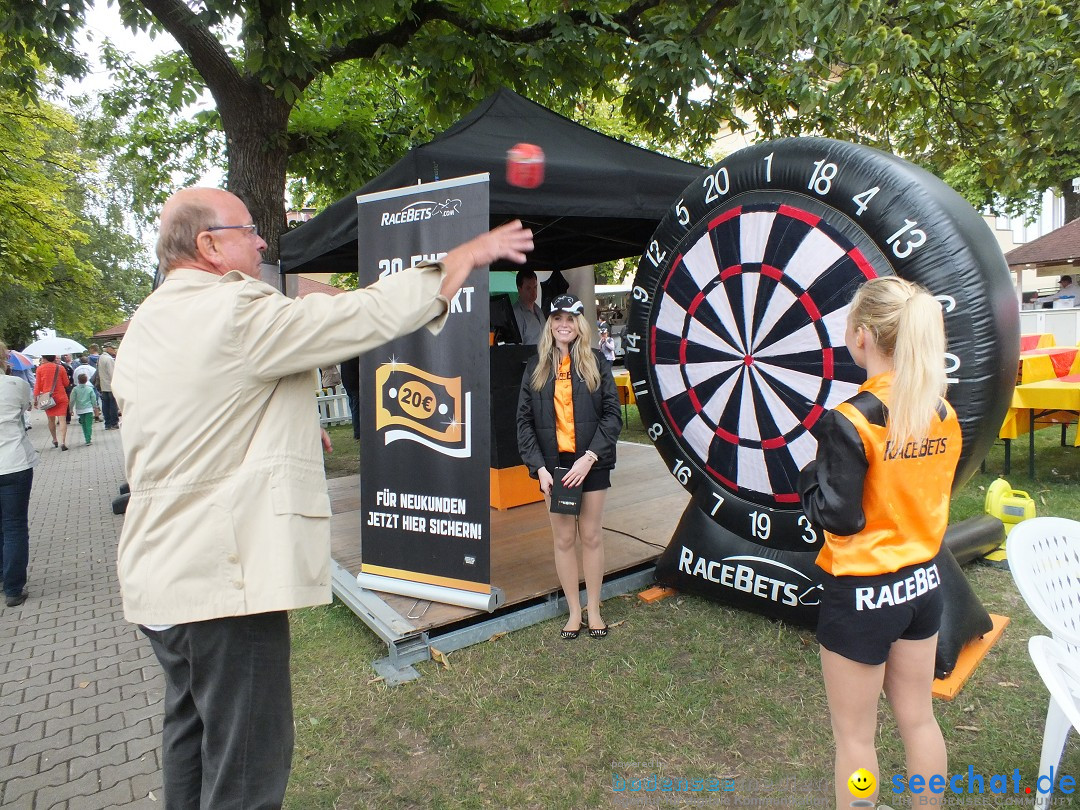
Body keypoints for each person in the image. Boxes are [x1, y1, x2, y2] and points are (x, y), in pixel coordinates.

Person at [112, 185, 532, 809]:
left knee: (191, 739)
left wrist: (280, 425)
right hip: (225, 582)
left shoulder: (149, 322)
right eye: (249, 229)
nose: (261, 241)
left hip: (164, 580)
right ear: (207, 245)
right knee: (247, 763)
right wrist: (460, 259)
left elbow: (196, 422)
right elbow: (357, 318)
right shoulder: (232, 312)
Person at [798, 277, 961, 809]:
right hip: (924, 584)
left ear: (862, 335)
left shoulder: (851, 420)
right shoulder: (941, 411)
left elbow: (838, 518)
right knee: (918, 719)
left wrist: (807, 480)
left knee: (856, 739)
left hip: (864, 594)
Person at [517, 294, 622, 640]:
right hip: (554, 469)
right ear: (550, 323)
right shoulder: (536, 367)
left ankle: (594, 609)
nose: (564, 323)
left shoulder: (596, 363)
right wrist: (540, 469)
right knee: (563, 539)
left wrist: (589, 457)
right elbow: (524, 423)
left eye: (571, 318)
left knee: (590, 536)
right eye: (558, 317)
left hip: (590, 463)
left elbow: (612, 416)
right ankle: (573, 612)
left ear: (580, 324)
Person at [0, 342, 37, 608]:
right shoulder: (15, 385)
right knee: (14, 526)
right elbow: (25, 408)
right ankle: (13, 588)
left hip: (14, 462)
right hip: (13, 461)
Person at [33, 355, 69, 450]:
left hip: (47, 398)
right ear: (54, 358)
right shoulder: (60, 368)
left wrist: (35, 399)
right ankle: (63, 442)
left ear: (44, 358)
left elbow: (37, 386)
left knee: (51, 420)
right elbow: (66, 383)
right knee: (62, 420)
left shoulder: (40, 369)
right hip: (61, 397)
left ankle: (54, 439)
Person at [512, 268, 545, 344]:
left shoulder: (539, 310)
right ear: (519, 289)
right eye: (528, 288)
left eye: (535, 287)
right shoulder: (516, 314)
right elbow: (516, 346)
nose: (533, 292)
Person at [69, 372, 100, 445]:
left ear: (78, 380)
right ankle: (88, 439)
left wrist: (70, 409)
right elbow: (93, 399)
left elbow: (72, 400)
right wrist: (95, 407)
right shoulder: (89, 389)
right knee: (89, 424)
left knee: (83, 424)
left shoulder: (75, 389)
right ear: (86, 381)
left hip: (80, 409)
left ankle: (86, 437)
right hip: (88, 409)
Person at [97, 343, 119, 429]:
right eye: (113, 349)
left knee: (105, 405)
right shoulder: (109, 359)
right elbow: (112, 374)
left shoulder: (101, 357)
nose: (114, 351)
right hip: (110, 385)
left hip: (103, 385)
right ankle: (114, 423)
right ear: (109, 349)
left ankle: (107, 423)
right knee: (113, 405)